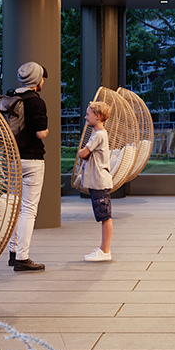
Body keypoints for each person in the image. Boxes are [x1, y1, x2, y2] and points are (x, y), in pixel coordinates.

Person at [4, 61, 49, 272]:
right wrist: (44, 132)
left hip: (11, 159)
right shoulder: (36, 102)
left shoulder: (10, 98)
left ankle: (13, 253)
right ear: (37, 81)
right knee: (28, 209)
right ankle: (23, 257)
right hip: (32, 159)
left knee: (14, 208)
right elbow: (41, 133)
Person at [76, 98, 116, 261]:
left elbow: (83, 153)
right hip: (99, 181)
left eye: (88, 115)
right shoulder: (100, 134)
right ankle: (103, 248)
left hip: (99, 181)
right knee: (103, 215)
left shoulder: (97, 135)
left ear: (97, 116)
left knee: (105, 216)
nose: (86, 118)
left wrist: (80, 152)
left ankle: (105, 250)